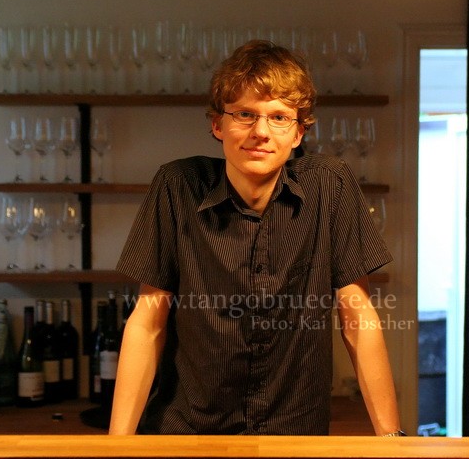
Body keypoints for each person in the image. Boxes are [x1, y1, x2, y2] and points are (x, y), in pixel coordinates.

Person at [109, 39, 402, 436]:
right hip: (190, 431)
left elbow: (358, 320)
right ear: (218, 125)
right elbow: (147, 324)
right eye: (245, 114)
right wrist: (117, 445)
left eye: (279, 117)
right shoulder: (177, 185)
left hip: (294, 434)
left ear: (298, 133)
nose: (261, 132)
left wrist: (391, 439)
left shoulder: (330, 185)